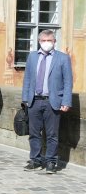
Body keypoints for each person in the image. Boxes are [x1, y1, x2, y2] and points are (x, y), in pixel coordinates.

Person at [22, 29, 73, 174]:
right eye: (43, 40)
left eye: (49, 40)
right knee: (34, 133)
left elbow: (68, 82)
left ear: (54, 41)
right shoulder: (32, 57)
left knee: (52, 134)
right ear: (39, 41)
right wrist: (25, 98)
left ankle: (51, 161)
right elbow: (27, 79)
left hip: (53, 101)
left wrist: (66, 102)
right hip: (34, 101)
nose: (46, 43)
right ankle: (35, 160)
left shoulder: (63, 58)